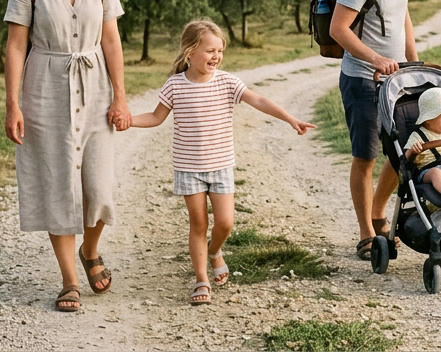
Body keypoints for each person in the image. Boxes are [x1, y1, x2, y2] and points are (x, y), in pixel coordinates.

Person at [3, 0, 131, 313]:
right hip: (45, 85)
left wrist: (121, 96)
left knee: (98, 183)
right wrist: (13, 105)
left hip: (94, 84)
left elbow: (111, 39)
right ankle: (69, 280)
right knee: (58, 181)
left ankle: (89, 250)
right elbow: (16, 44)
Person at [130, 19, 315, 305]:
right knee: (198, 224)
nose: (216, 56)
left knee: (225, 223)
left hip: (221, 165)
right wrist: (129, 120)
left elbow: (259, 100)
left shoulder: (227, 82)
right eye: (209, 51)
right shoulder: (175, 85)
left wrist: (290, 119)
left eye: (220, 51)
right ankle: (201, 279)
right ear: (190, 52)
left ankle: (215, 251)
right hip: (188, 168)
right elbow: (155, 117)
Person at [330, 0, 419, 260]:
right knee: (365, 157)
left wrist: (415, 65)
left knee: (407, 150)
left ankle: (378, 212)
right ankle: (367, 233)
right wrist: (375, 58)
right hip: (363, 80)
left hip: (397, 81)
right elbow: (339, 29)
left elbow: (404, 20)